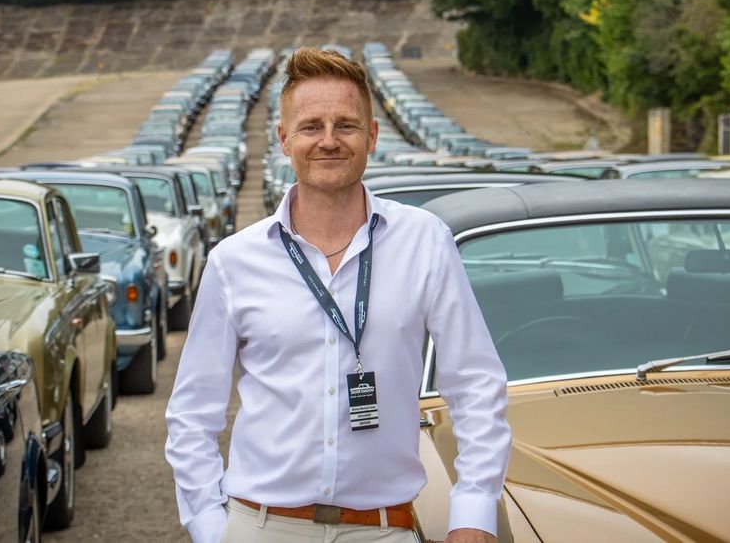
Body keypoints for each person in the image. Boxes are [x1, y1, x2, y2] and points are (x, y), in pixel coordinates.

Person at [166, 47, 510, 543]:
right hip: (260, 527)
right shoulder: (233, 261)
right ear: (284, 139)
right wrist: (210, 527)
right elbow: (193, 412)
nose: (328, 141)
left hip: (382, 529)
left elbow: (476, 384)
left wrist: (474, 513)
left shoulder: (426, 241)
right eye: (311, 127)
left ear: (371, 136)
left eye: (346, 125)